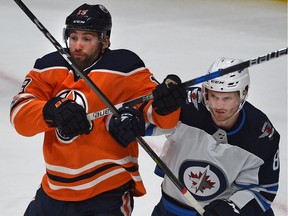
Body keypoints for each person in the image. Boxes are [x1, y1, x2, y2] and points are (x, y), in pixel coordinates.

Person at [10, 3, 186, 216]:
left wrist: (166, 104)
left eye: (86, 38)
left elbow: (159, 118)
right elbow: (20, 114)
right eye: (73, 37)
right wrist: (51, 111)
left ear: (105, 40)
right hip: (54, 190)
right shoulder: (49, 65)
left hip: (107, 192)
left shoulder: (124, 66)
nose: (77, 45)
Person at [149, 57, 280, 216]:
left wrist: (233, 209)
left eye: (227, 98)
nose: (218, 106)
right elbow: (149, 122)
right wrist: (134, 118)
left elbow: (262, 191)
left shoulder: (261, 134)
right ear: (206, 93)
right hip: (172, 210)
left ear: (243, 94)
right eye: (214, 96)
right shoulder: (187, 105)